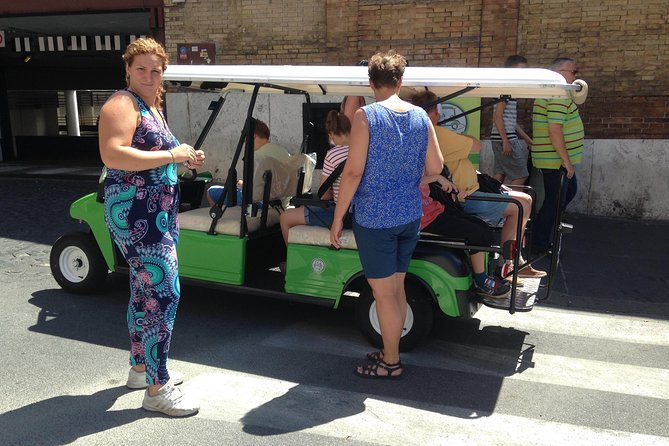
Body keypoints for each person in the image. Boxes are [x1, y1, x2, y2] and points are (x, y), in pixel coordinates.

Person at [99, 37, 204, 417]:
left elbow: (152, 158)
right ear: (127, 70)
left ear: (163, 74)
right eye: (141, 69)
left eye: (155, 70)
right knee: (164, 292)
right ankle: (157, 389)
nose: (148, 75)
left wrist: (180, 159)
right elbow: (113, 152)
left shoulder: (150, 107)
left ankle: (141, 369)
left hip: (154, 213)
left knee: (145, 291)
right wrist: (171, 154)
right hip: (138, 216)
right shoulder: (122, 104)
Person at [330, 50, 444, 379]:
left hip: (376, 219)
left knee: (383, 295)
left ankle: (390, 362)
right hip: (410, 214)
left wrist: (338, 218)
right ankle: (390, 350)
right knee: (396, 289)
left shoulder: (366, 117)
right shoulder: (421, 116)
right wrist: (407, 180)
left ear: (370, 82)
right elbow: (435, 167)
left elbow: (352, 173)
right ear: (400, 81)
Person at [410, 90, 545, 279]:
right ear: (435, 112)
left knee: (524, 200)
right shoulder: (437, 133)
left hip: (469, 190)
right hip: (464, 197)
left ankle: (513, 261)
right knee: (522, 204)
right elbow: (476, 145)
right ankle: (509, 263)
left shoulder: (429, 133)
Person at [420, 173, 511, 298]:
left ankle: (478, 273)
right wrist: (437, 178)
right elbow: (406, 182)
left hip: (432, 209)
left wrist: (451, 187)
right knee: (476, 231)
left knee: (480, 225)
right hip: (422, 218)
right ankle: (480, 280)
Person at [530, 57, 584, 251]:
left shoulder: (554, 93)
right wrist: (566, 162)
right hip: (554, 161)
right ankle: (539, 242)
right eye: (573, 71)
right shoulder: (557, 94)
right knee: (555, 201)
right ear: (560, 73)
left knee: (563, 195)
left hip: (553, 159)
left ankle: (541, 233)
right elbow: (555, 129)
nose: (576, 76)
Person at [279, 110, 351, 244]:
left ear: (331, 135)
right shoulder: (365, 150)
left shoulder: (333, 155)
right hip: (361, 213)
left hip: (342, 214)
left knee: (285, 217)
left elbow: (324, 195)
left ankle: (293, 261)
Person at [206, 119, 290, 206]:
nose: (246, 144)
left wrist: (241, 184)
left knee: (211, 191)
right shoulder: (283, 151)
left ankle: (221, 219)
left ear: (253, 137)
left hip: (262, 203)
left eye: (245, 141)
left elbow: (253, 189)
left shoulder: (256, 157)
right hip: (282, 203)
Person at [491, 55, 533, 185]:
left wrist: (526, 138)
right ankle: (511, 204)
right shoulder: (506, 88)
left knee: (500, 174)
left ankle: (492, 201)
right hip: (505, 138)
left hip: (501, 137)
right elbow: (497, 115)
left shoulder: (509, 89)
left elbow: (509, 120)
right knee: (521, 175)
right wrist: (506, 141)